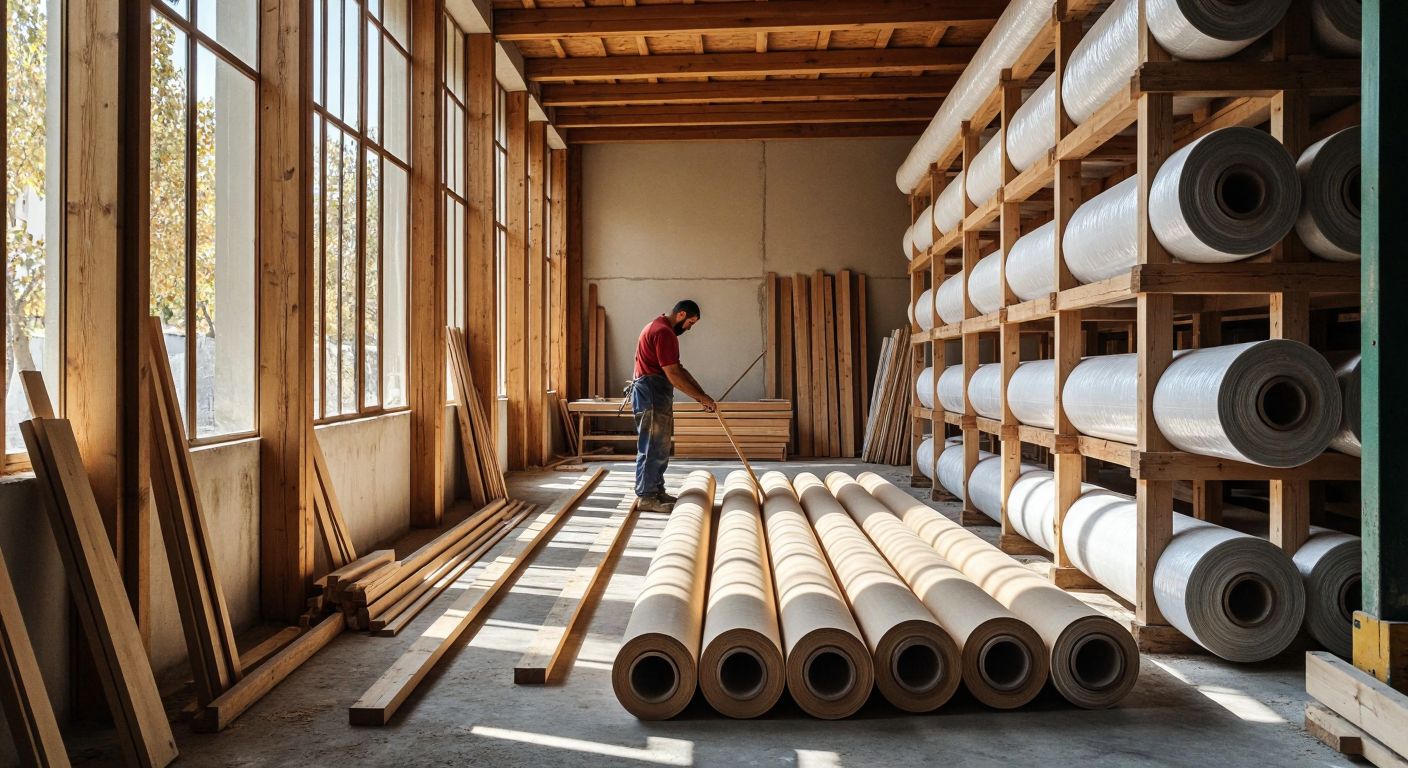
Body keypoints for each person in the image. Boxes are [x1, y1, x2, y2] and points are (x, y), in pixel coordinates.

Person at [629, 300, 715, 512]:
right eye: (690, 322)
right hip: (651, 393)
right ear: (681, 314)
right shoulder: (664, 332)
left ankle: (656, 490)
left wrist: (702, 395)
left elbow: (679, 369)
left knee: (659, 445)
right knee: (652, 445)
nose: (689, 328)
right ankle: (647, 496)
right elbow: (673, 375)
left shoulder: (658, 327)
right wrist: (701, 398)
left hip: (652, 391)